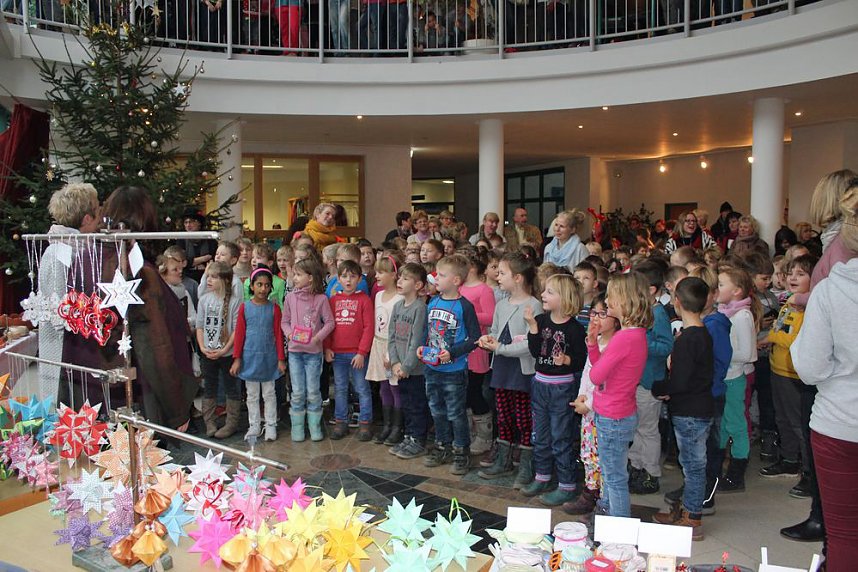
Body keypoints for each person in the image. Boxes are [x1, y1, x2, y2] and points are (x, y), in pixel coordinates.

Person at [61, 186, 199, 430]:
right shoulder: (138, 273)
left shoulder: (82, 259)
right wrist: (177, 410)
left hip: (84, 395)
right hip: (130, 399)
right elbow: (156, 346)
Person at [790, 257, 858, 569]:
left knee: (845, 536)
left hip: (842, 421)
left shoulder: (833, 289)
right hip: (841, 422)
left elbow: (810, 367)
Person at [651, 277, 714, 540]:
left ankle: (692, 519)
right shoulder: (700, 333)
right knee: (690, 463)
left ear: (677, 302)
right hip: (696, 407)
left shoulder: (688, 339)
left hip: (690, 411)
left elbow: (681, 380)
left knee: (693, 466)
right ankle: (687, 510)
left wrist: (660, 387)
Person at [586, 272, 652, 518]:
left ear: (626, 301)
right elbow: (601, 370)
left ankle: (619, 533)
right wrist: (593, 344)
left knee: (613, 479)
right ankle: (610, 522)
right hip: (619, 411)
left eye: (612, 297)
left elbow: (595, 377)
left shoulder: (625, 337)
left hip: (613, 415)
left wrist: (596, 351)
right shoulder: (635, 334)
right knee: (612, 475)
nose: (607, 302)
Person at [521, 274, 587, 506]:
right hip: (540, 383)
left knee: (561, 436)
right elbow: (536, 351)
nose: (543, 295)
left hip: (562, 388)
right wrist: (532, 328)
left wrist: (567, 359)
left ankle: (567, 484)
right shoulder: (541, 319)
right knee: (540, 435)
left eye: (550, 292)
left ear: (565, 297)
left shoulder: (575, 329)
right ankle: (543, 475)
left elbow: (580, 359)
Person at [478, 252, 543, 487]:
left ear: (517, 278)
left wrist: (501, 347)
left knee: (524, 418)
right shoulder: (502, 304)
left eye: (502, 272)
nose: (497, 276)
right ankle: (503, 460)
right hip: (502, 367)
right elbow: (496, 330)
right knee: (503, 415)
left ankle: (526, 465)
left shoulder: (534, 305)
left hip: (522, 369)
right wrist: (489, 340)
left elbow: (531, 344)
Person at [39, 183, 99, 407]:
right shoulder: (60, 252)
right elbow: (59, 310)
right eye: (97, 210)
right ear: (86, 219)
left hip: (79, 346)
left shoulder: (79, 248)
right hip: (68, 349)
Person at [420, 253, 481, 475]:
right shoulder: (433, 301)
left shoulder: (464, 306)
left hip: (453, 371)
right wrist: (421, 346)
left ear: (456, 280)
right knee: (436, 411)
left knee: (455, 413)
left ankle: (460, 451)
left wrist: (452, 352)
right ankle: (442, 446)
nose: (436, 278)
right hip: (432, 367)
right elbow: (428, 330)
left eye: (442, 275)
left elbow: (474, 339)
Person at [565, 293, 614, 515]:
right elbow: (588, 373)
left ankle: (604, 498)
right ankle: (590, 491)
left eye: (603, 314)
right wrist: (581, 396)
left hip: (603, 410)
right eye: (594, 312)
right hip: (588, 408)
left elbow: (608, 382)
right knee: (589, 453)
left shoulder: (615, 344)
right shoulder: (596, 341)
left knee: (603, 456)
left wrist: (590, 403)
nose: (596, 318)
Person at [628, 262, 674, 496]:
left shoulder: (658, 314)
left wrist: (643, 341)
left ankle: (651, 472)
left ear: (652, 290)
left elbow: (667, 345)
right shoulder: (640, 311)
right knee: (636, 426)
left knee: (648, 429)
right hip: (635, 381)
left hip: (649, 381)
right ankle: (636, 464)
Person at [715, 267, 759, 493]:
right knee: (723, 424)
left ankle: (737, 471)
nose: (717, 288)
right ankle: (718, 466)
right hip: (724, 377)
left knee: (736, 424)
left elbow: (748, 353)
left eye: (721, 285)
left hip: (734, 376)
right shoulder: (724, 311)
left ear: (737, 291)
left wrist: (719, 354)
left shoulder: (742, 316)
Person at [231, 266, 286, 442]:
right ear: (252, 286)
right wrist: (237, 358)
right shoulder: (244, 308)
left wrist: (281, 359)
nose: (263, 289)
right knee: (252, 395)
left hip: (269, 359)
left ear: (271, 287)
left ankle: (270, 425)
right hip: (249, 358)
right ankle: (254, 425)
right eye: (259, 284)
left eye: (267, 285)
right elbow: (239, 335)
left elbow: (278, 335)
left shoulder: (275, 309)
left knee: (269, 393)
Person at [281, 258, 334, 442]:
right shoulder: (290, 298)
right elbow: (284, 321)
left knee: (313, 390)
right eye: (294, 274)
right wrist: (288, 334)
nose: (294, 278)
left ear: (310, 278)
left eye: (298, 274)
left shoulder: (321, 299)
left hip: (313, 353)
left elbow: (329, 322)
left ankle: (314, 426)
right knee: (297, 391)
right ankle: (297, 427)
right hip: (295, 353)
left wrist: (317, 338)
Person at [325, 260, 374, 441]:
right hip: (337, 354)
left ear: (359, 279)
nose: (348, 280)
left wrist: (362, 352)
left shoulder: (364, 300)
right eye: (344, 276)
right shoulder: (333, 300)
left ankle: (365, 423)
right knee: (340, 388)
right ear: (338, 279)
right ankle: (341, 422)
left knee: (362, 388)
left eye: (353, 276)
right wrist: (327, 347)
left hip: (357, 355)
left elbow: (369, 328)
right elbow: (329, 326)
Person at [387, 263, 431, 460]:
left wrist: (406, 365)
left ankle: (418, 439)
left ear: (418, 285)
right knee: (405, 403)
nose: (400, 281)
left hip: (415, 370)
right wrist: (395, 362)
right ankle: (408, 436)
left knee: (416, 404)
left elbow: (417, 340)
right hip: (400, 368)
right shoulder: (397, 306)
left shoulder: (420, 308)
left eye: (405, 279)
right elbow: (392, 336)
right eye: (400, 277)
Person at [197, 262, 242, 439]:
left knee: (231, 387)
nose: (209, 280)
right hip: (207, 352)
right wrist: (202, 347)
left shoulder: (235, 302)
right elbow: (200, 326)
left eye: (214, 277)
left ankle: (231, 423)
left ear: (225, 280)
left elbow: (237, 330)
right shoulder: (204, 300)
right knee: (209, 386)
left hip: (227, 354)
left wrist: (224, 350)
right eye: (208, 276)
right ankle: (210, 422)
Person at [459, 250, 496, 455]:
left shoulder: (484, 290)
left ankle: (484, 435)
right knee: (463, 392)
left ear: (472, 267)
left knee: (474, 391)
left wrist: (466, 314)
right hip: (460, 347)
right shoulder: (460, 287)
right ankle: (469, 432)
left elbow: (490, 316)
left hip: (476, 347)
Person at [366, 254, 405, 445]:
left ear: (394, 274)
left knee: (394, 386)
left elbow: (397, 328)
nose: (377, 275)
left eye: (382, 272)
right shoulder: (379, 295)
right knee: (383, 386)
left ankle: (398, 427)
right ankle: (387, 425)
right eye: (377, 271)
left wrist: (392, 353)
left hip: (393, 347)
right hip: (379, 344)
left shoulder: (399, 298)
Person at [178, 206, 217, 283]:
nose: (188, 225)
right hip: (186, 277)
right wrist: (203, 258)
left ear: (199, 223)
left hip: (208, 276)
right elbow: (182, 262)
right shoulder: (181, 240)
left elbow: (212, 259)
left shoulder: (210, 239)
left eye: (191, 221)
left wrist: (192, 262)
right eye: (186, 222)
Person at [243, 242, 287, 307]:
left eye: (258, 258)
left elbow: (282, 306)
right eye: (252, 257)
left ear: (269, 263)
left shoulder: (280, 283)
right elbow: (246, 304)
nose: (254, 260)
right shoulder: (247, 282)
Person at [573, 261, 598, 328]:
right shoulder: (569, 305)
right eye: (577, 278)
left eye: (586, 278)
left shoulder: (597, 308)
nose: (581, 282)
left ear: (594, 284)